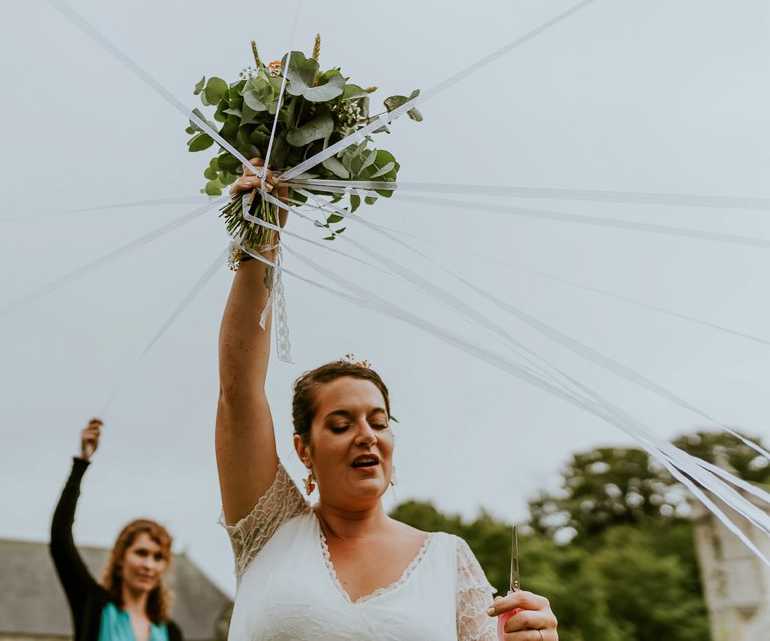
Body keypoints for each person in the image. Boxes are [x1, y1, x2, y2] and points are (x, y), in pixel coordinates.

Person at [215, 160, 560, 640]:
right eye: (340, 424)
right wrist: (260, 237)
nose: (366, 436)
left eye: (378, 422)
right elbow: (239, 390)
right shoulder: (269, 530)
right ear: (304, 449)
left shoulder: (447, 559)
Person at [50, 418, 184, 641]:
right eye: (141, 553)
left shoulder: (170, 632)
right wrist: (81, 463)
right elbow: (60, 540)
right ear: (121, 557)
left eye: (158, 557)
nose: (149, 565)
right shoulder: (93, 605)